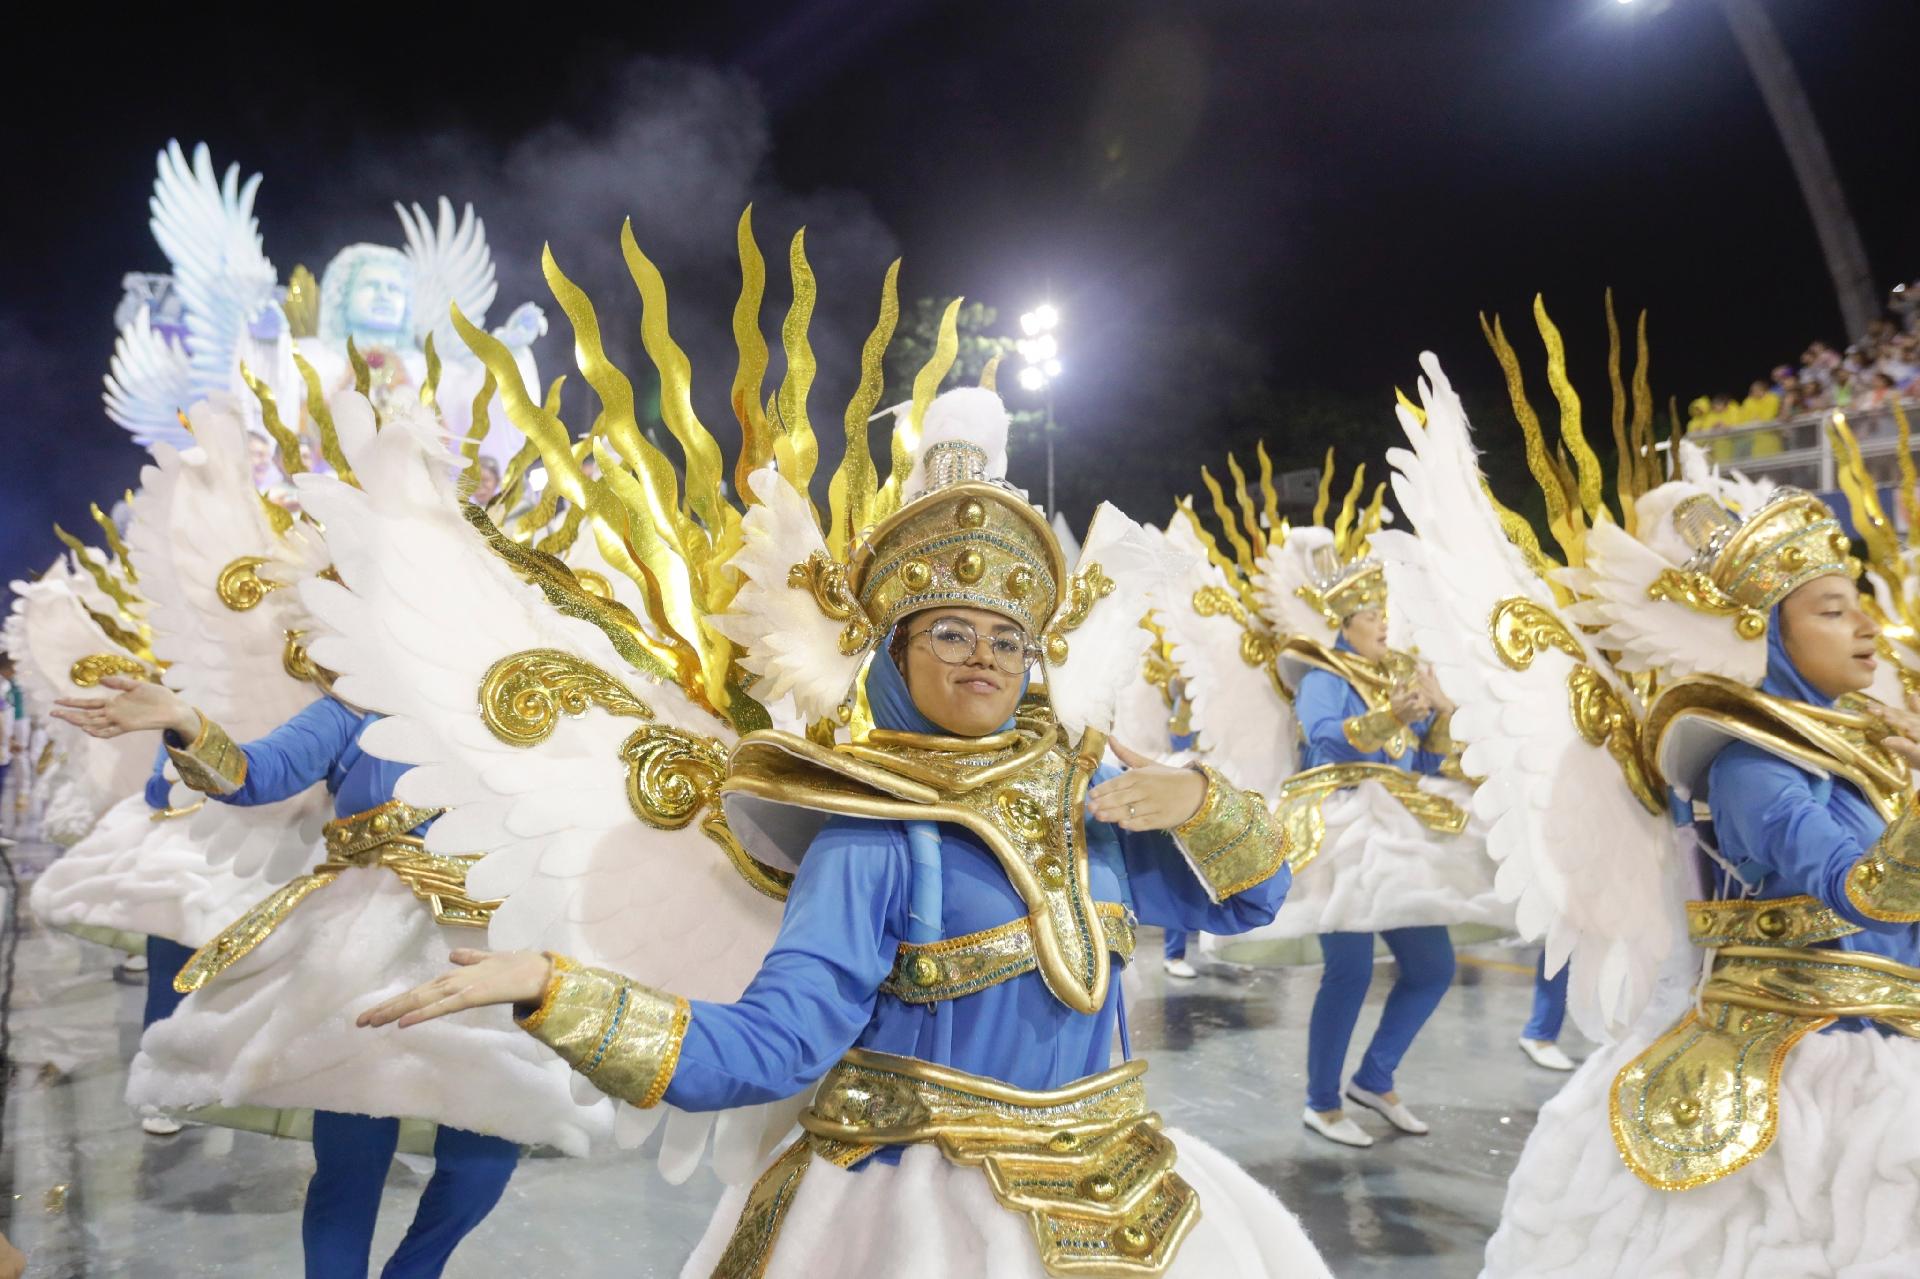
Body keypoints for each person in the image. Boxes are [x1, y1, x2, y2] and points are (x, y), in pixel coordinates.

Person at [361, 399, 1332, 1277]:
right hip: (929, 1215)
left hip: (1129, 1184)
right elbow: (775, 1045)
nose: (984, 658)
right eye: (950, 632)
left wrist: (1203, 802)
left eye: (1006, 637)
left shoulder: (1095, 798)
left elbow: (1254, 901)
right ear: (898, 656)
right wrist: (555, 988)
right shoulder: (870, 835)